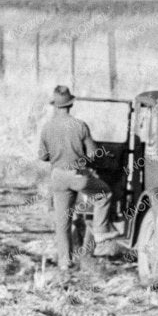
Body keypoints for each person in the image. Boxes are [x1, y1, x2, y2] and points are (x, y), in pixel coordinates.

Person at [37, 85, 116, 270]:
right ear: (71, 104)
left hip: (58, 176)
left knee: (63, 221)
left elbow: (42, 156)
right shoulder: (80, 125)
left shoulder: (47, 127)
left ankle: (64, 263)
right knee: (104, 194)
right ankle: (101, 231)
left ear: (55, 106)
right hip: (78, 175)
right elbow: (94, 153)